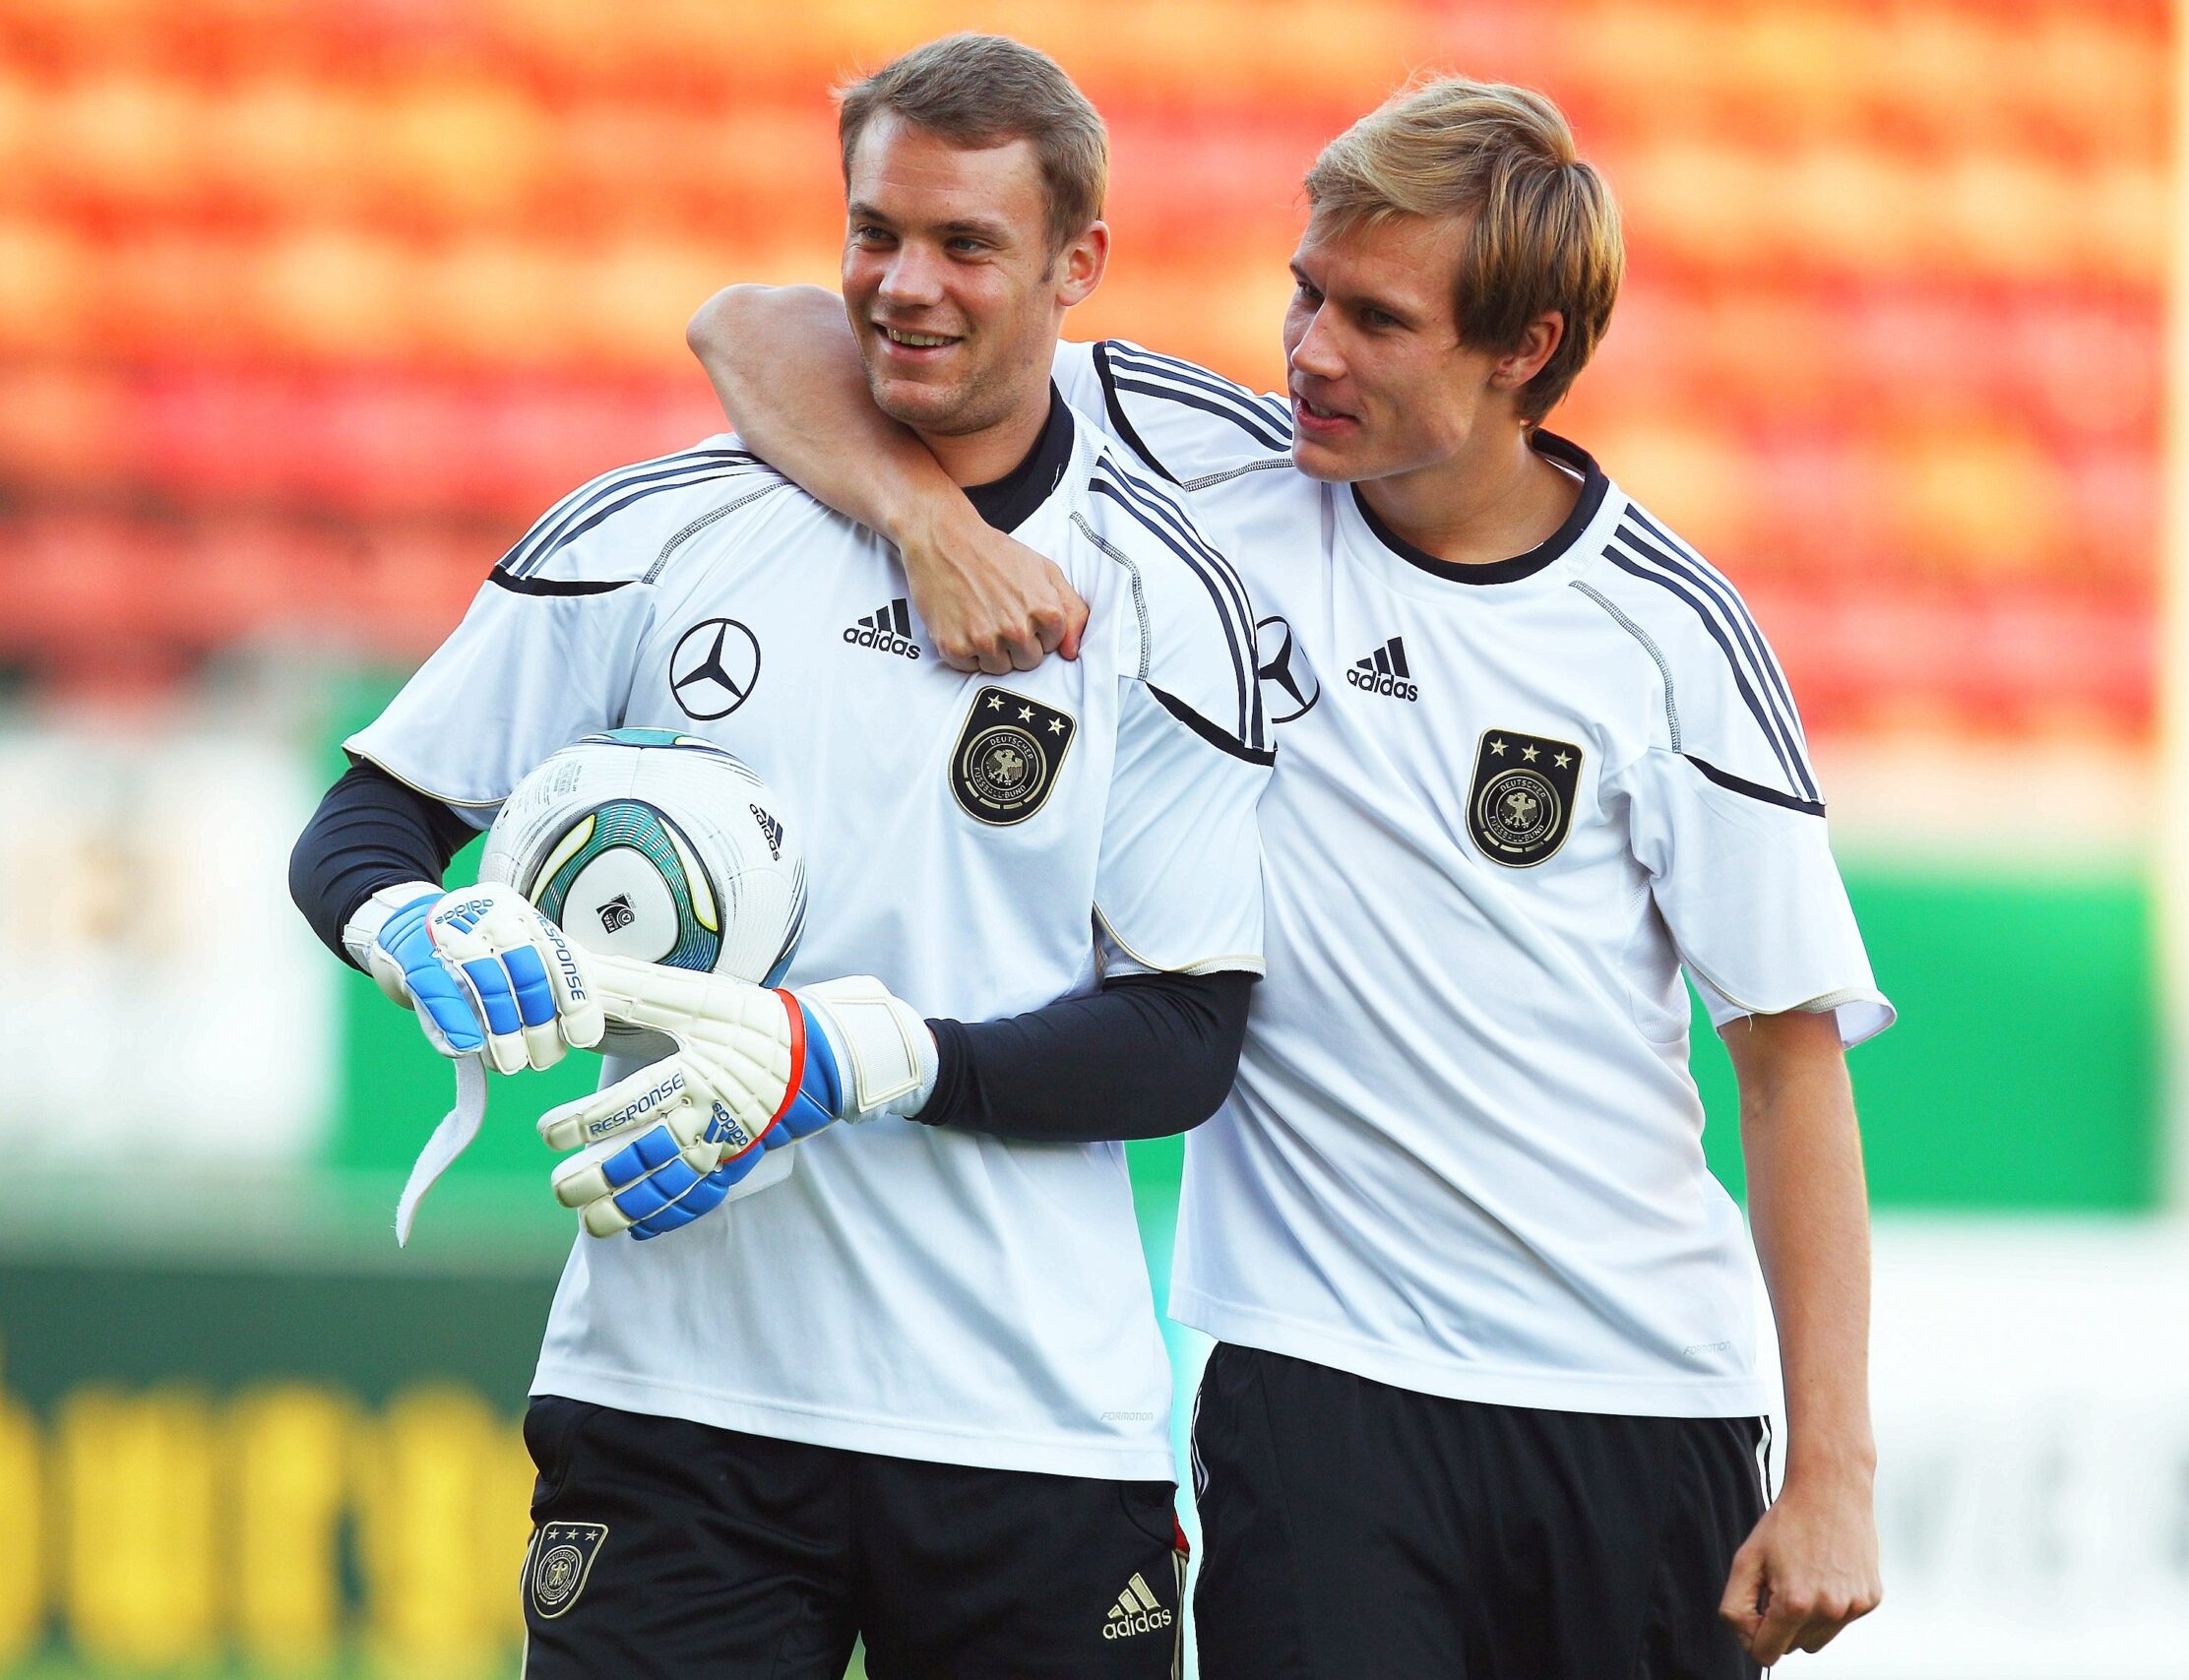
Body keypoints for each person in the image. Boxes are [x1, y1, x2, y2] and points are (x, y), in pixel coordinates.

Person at [692, 71, 1894, 1677]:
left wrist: (1832, 1472)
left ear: (1523, 350)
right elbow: (754, 327)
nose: (1313, 351)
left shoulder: (1665, 634)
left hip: (1631, 1401)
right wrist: (927, 523)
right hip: (1313, 1387)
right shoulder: (1205, 487)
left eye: (1379, 322)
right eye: (1305, 292)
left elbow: (1790, 1065)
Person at [287, 33, 1272, 1677]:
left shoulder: (1162, 603)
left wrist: (850, 1060)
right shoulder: (654, 530)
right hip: (674, 1414)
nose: (907, 285)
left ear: (1078, 266)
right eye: (875, 233)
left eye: (969, 244)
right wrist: (413, 931)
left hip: (1026, 1428)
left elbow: (1184, 1038)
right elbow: (368, 821)